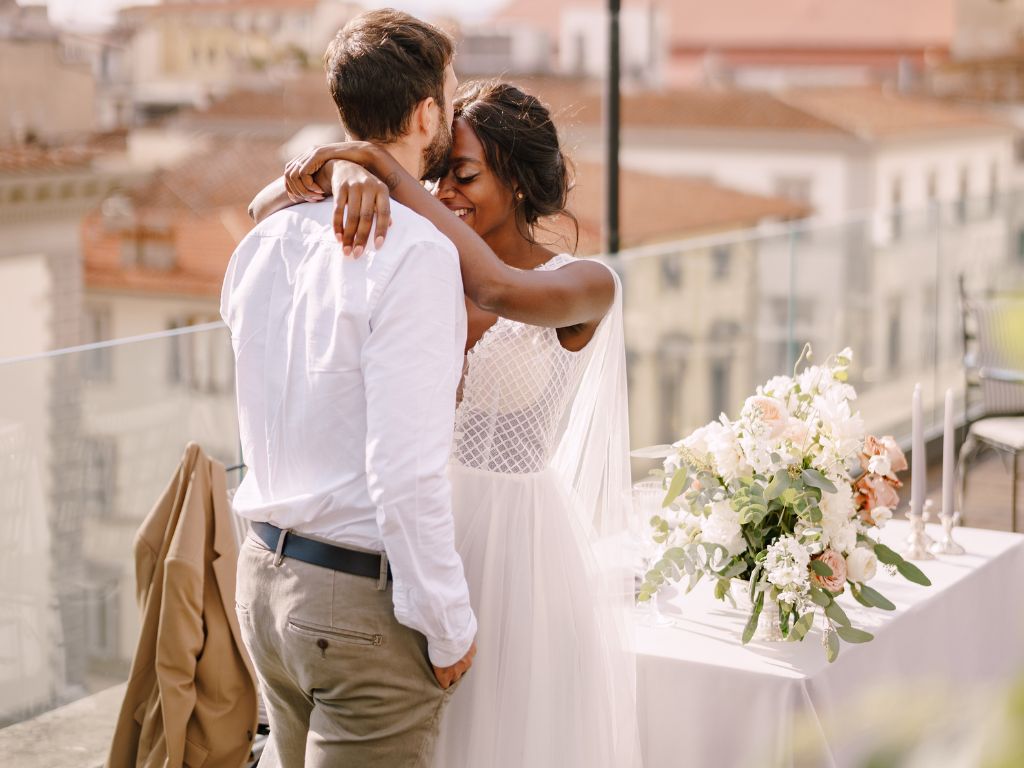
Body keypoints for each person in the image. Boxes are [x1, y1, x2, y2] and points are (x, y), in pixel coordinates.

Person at [250, 78, 641, 767]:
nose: (444, 194)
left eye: (462, 175)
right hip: (413, 528)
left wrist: (379, 166)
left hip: (518, 551)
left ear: (518, 182)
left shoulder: (584, 282)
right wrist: (345, 167)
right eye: (437, 175)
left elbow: (497, 288)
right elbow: (261, 212)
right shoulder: (421, 269)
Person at [221, 10, 477, 767]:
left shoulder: (263, 240)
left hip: (263, 584)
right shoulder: (419, 256)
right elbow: (403, 471)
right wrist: (447, 623)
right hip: (353, 607)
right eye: (451, 101)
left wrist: (334, 169)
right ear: (427, 112)